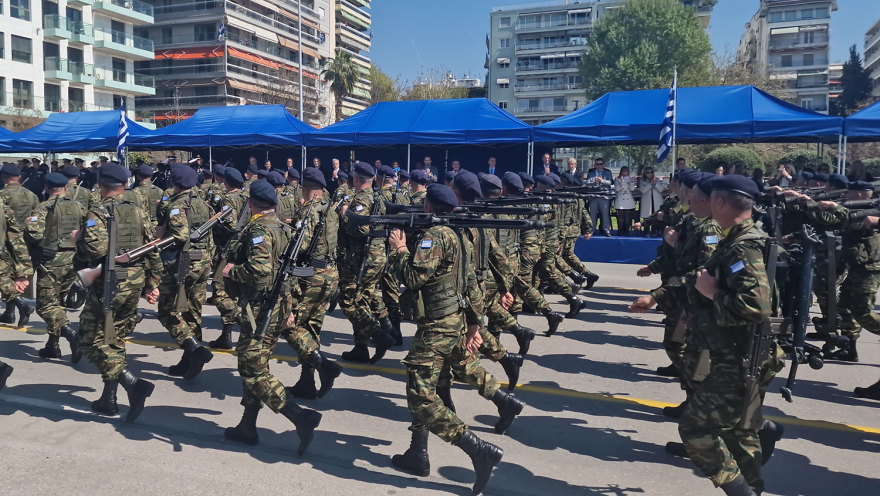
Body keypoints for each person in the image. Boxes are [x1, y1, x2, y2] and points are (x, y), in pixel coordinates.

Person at [386, 184, 504, 494]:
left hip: (437, 325)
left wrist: (399, 250)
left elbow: (413, 277)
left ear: (428, 206)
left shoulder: (435, 235)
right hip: (453, 320)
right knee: (432, 388)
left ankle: (478, 449)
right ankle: (417, 452)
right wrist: (474, 324)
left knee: (421, 397)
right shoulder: (458, 234)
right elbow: (470, 285)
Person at [222, 180, 323, 455]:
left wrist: (230, 271)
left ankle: (300, 417)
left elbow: (258, 268)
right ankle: (247, 425)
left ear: (251, 203)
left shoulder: (259, 229)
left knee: (253, 371)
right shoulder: (282, 228)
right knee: (256, 364)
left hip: (260, 308)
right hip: (277, 304)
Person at [75, 163, 161, 423]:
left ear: (100, 184)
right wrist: (153, 283)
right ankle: (108, 399)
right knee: (115, 339)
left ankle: (132, 384)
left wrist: (79, 237)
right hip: (134, 281)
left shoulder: (97, 212)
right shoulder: (138, 211)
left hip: (109, 283)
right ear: (124, 185)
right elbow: (151, 248)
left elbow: (94, 249)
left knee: (89, 340)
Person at [284, 168, 344, 400]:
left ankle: (324, 366)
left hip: (310, 274)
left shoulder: (308, 212)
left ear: (304, 187)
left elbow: (300, 246)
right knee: (311, 327)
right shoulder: (330, 210)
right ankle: (306, 381)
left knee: (289, 325)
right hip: (329, 273)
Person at [156, 166, 215, 380]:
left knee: (166, 311)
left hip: (185, 263)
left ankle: (195, 349)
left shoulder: (177, 205)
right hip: (203, 262)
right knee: (193, 312)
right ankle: (189, 359)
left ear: (175, 183)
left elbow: (180, 235)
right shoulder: (202, 203)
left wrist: (160, 240)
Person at [338, 162, 396, 363]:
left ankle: (379, 335)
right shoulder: (378, 197)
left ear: (355, 179)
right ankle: (361, 347)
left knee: (348, 300)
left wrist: (345, 216)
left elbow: (360, 228)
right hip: (376, 255)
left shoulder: (362, 198)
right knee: (362, 299)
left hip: (363, 257)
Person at [26, 173, 85, 361]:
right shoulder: (78, 206)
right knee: (59, 303)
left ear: (47, 187)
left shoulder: (45, 207)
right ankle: (53, 345)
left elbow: (35, 234)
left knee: (45, 306)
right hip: (73, 259)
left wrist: (29, 225)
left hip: (51, 261)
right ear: (65, 188)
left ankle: (70, 334)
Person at [586, 158, 613, 236]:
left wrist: (601, 181)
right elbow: (587, 183)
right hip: (594, 196)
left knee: (605, 214)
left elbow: (610, 182)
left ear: (603, 165)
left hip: (604, 196)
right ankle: (592, 230)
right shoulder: (591, 172)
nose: (599, 166)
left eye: (600, 164)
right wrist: (595, 181)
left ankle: (606, 230)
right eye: (597, 164)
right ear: (594, 165)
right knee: (593, 215)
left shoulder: (607, 172)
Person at [637, 167, 666, 237]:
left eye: (650, 172)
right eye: (647, 173)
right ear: (645, 174)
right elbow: (643, 190)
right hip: (647, 201)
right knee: (647, 216)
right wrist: (650, 184)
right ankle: (646, 232)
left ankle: (654, 231)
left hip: (656, 201)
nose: (649, 174)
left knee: (655, 216)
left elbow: (661, 189)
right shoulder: (642, 181)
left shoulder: (657, 180)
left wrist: (655, 184)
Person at [614, 166, 636, 237]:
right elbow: (617, 189)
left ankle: (626, 230)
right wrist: (622, 183)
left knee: (627, 215)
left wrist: (631, 182)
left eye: (627, 171)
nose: (625, 172)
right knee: (620, 215)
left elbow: (632, 189)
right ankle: (620, 230)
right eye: (624, 171)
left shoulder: (630, 178)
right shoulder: (617, 179)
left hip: (628, 198)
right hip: (620, 198)